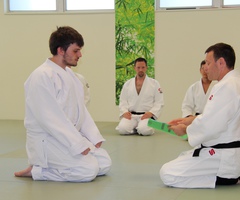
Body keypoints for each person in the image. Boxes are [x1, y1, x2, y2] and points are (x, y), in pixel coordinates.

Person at [14, 26, 112, 182]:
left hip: (66, 136)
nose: (80, 55)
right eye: (75, 51)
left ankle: (52, 166)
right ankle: (38, 170)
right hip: (48, 139)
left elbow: (81, 109)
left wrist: (93, 136)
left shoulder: (69, 74)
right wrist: (77, 144)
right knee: (88, 170)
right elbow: (51, 119)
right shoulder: (41, 76)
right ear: (61, 50)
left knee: (104, 163)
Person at [160, 43, 240, 188]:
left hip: (223, 158)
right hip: (236, 155)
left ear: (221, 62)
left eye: (208, 62)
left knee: (167, 174)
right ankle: (239, 172)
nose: (205, 67)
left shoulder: (226, 87)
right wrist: (189, 120)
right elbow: (220, 118)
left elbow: (210, 126)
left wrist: (185, 130)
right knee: (184, 156)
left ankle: (230, 179)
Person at [116, 57, 164, 136]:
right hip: (132, 115)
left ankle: (142, 127)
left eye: (143, 67)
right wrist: (124, 112)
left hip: (146, 116)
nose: (140, 70)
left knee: (144, 131)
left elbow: (159, 102)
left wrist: (151, 113)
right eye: (138, 67)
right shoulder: (128, 84)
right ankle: (136, 128)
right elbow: (123, 100)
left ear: (146, 68)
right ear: (134, 68)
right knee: (122, 129)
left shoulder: (154, 83)